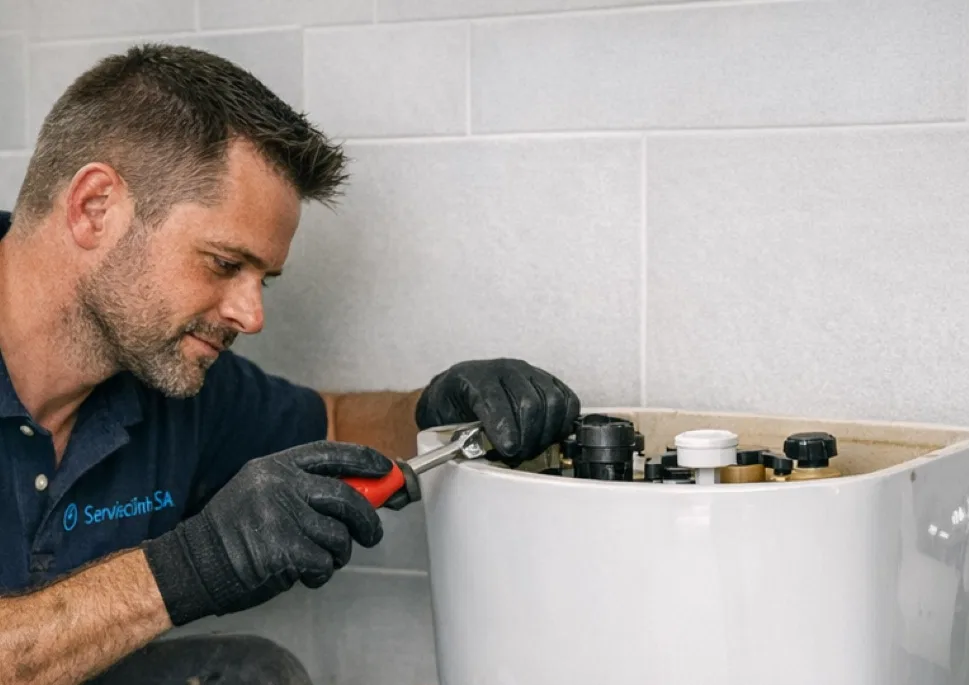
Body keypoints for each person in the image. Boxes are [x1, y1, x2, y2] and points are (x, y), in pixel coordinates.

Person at [0, 43, 582, 685]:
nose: (252, 318)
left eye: (263, 281)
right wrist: (188, 570)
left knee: (252, 675)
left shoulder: (162, 375)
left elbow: (328, 422)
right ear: (94, 208)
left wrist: (434, 413)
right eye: (224, 263)